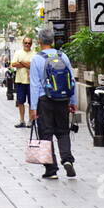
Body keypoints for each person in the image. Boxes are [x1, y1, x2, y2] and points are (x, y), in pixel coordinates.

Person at [30, 26, 77, 179]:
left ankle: (51, 170)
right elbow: (72, 80)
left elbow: (35, 85)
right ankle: (67, 160)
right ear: (52, 40)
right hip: (62, 99)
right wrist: (73, 100)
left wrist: (33, 107)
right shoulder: (63, 56)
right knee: (63, 131)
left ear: (39, 41)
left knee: (46, 134)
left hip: (45, 100)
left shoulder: (37, 59)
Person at [10, 35, 37, 128]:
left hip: (31, 82)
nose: (27, 44)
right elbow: (13, 64)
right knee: (20, 102)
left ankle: (30, 120)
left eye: (29, 43)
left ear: (31, 44)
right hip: (20, 81)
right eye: (25, 43)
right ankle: (22, 121)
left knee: (31, 102)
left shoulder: (35, 54)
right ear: (23, 43)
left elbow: (33, 65)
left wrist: (21, 62)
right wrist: (27, 64)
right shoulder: (18, 53)